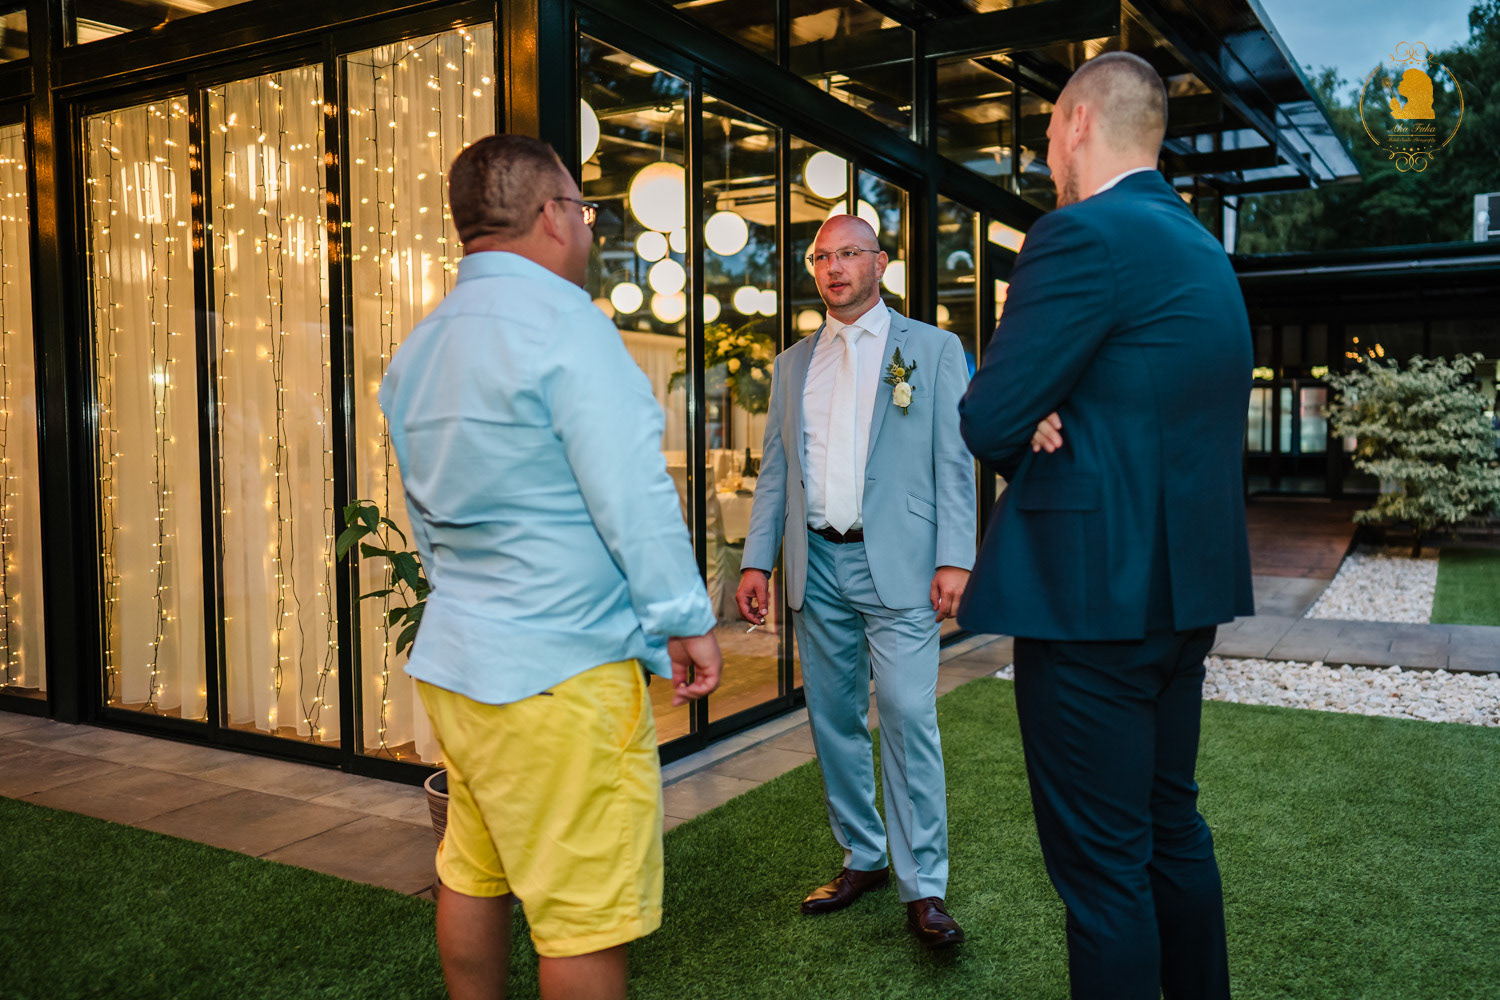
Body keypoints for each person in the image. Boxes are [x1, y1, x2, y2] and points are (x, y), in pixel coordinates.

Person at [378, 134, 722, 1000]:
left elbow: (425, 520)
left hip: (459, 663)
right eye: (583, 207)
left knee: (472, 868)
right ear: (551, 215)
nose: (588, 226)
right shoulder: (569, 327)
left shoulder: (419, 347)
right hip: (560, 672)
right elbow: (633, 495)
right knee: (582, 916)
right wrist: (685, 619)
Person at [957, 52, 1254, 1000]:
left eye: (1048, 130)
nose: (1046, 152)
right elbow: (1146, 408)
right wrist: (1050, 405)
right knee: (1172, 829)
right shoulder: (1203, 251)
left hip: (1091, 605)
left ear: (1080, 123)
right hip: (1182, 600)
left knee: (1103, 870)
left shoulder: (1079, 234)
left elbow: (989, 415)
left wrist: (1040, 410)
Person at [736, 214, 976, 948]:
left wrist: (956, 556)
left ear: (880, 262)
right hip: (816, 564)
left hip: (901, 564)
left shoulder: (931, 349)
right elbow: (777, 472)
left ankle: (924, 885)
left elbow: (954, 460)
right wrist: (756, 559)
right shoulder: (792, 364)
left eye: (848, 253)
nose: (833, 267)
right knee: (833, 720)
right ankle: (863, 855)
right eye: (821, 257)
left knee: (906, 713)